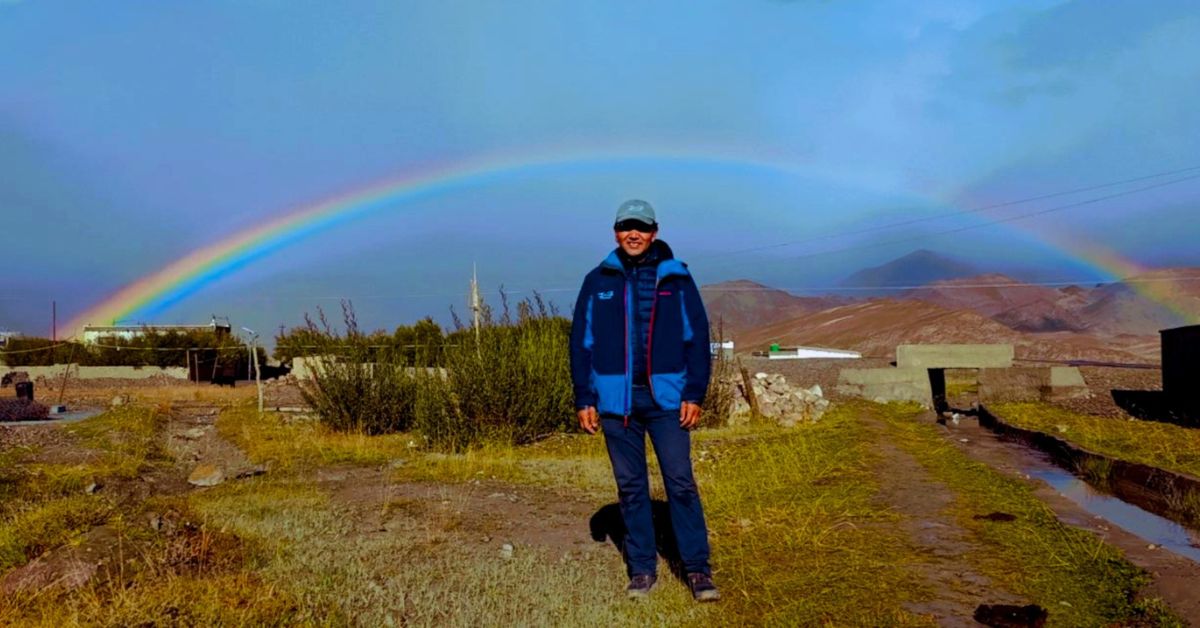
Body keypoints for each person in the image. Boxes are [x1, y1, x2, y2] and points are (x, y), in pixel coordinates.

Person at [569, 199, 718, 602]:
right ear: (615, 231)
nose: (632, 234)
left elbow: (697, 340)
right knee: (631, 488)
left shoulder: (677, 279)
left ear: (654, 231)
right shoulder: (597, 280)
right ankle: (642, 569)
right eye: (625, 226)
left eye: (641, 227)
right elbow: (580, 345)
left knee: (681, 483)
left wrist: (694, 393)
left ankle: (698, 569)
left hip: (668, 402)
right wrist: (585, 398)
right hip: (617, 405)